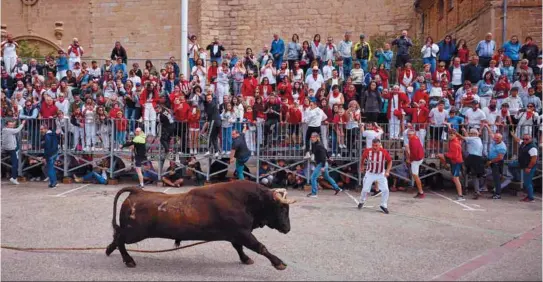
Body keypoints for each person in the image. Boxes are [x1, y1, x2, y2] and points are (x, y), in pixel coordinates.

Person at [358, 138, 392, 214]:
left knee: (386, 190)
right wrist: (362, 166)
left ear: (380, 145)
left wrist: (387, 171)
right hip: (370, 173)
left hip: (380, 173)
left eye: (376, 145)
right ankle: (362, 201)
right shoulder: (367, 151)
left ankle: (383, 205)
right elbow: (363, 158)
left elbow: (390, 161)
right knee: (365, 189)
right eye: (373, 145)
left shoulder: (384, 152)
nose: (374, 147)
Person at [307, 132, 342, 198]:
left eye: (313, 137)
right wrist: (329, 157)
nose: (312, 138)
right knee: (327, 177)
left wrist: (323, 166)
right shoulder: (315, 144)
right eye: (311, 137)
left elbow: (323, 156)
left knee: (313, 177)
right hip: (322, 163)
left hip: (322, 163)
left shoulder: (319, 145)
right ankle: (337, 188)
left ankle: (314, 193)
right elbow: (325, 150)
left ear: (317, 138)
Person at [508, 133, 538, 202]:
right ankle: (517, 178)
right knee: (511, 165)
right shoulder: (523, 143)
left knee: (527, 182)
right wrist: (513, 135)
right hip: (521, 163)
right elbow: (518, 140)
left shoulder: (532, 147)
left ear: (531, 139)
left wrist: (529, 168)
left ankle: (531, 198)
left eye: (527, 139)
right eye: (524, 139)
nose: (525, 140)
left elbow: (533, 160)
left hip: (529, 165)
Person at [438, 129, 465, 201]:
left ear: (455, 135)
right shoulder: (453, 141)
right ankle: (446, 166)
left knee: (456, 178)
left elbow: (454, 155)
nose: (450, 136)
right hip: (455, 161)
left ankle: (460, 195)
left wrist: (446, 154)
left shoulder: (454, 143)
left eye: (451, 135)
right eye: (449, 135)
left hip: (456, 161)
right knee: (455, 178)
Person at [483, 124, 507, 199]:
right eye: (495, 138)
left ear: (501, 139)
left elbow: (500, 157)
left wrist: (490, 162)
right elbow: (491, 134)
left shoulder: (502, 147)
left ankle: (498, 194)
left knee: (497, 179)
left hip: (496, 163)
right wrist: (487, 126)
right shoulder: (495, 140)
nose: (495, 139)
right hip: (492, 160)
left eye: (497, 139)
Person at [1, 120, 26, 185]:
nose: (12, 126)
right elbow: (17, 130)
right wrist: (22, 124)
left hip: (7, 148)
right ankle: (14, 178)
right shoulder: (7, 130)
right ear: (7, 125)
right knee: (15, 163)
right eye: (10, 125)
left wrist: (16, 121)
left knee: (14, 162)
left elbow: (14, 126)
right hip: (10, 149)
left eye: (12, 125)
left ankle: (13, 177)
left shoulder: (6, 129)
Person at [405, 129, 425, 198]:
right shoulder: (416, 138)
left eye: (410, 135)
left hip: (416, 159)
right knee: (415, 175)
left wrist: (410, 160)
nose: (408, 136)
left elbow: (414, 153)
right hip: (420, 157)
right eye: (408, 135)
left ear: (413, 135)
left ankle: (421, 192)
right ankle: (420, 191)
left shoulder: (412, 141)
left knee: (415, 176)